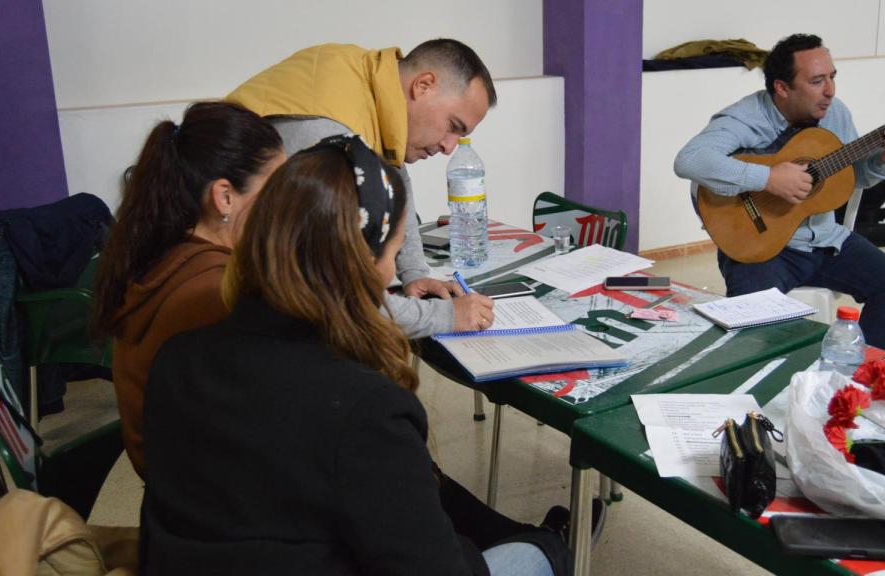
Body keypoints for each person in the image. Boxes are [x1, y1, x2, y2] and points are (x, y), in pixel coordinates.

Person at [140, 135, 571, 575]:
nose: (391, 275)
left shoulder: (177, 359)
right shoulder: (364, 409)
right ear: (364, 263)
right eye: (395, 251)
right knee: (543, 553)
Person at [227, 38, 496, 338]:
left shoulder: (365, 76)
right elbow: (343, 298)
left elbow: (392, 174)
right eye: (453, 126)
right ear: (423, 86)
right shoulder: (326, 134)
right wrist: (445, 316)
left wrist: (415, 273)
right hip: (228, 299)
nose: (449, 147)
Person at [674, 33, 885, 351]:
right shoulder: (746, 117)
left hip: (826, 241)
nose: (830, 91)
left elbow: (853, 178)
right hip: (760, 248)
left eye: (832, 77)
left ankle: (864, 378)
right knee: (750, 330)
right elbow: (690, 160)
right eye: (817, 81)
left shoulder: (835, 113)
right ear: (782, 88)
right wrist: (768, 178)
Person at [92, 101, 286, 477]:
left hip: (178, 491)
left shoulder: (162, 253)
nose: (285, 205)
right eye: (276, 189)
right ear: (224, 196)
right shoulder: (213, 293)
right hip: (206, 505)